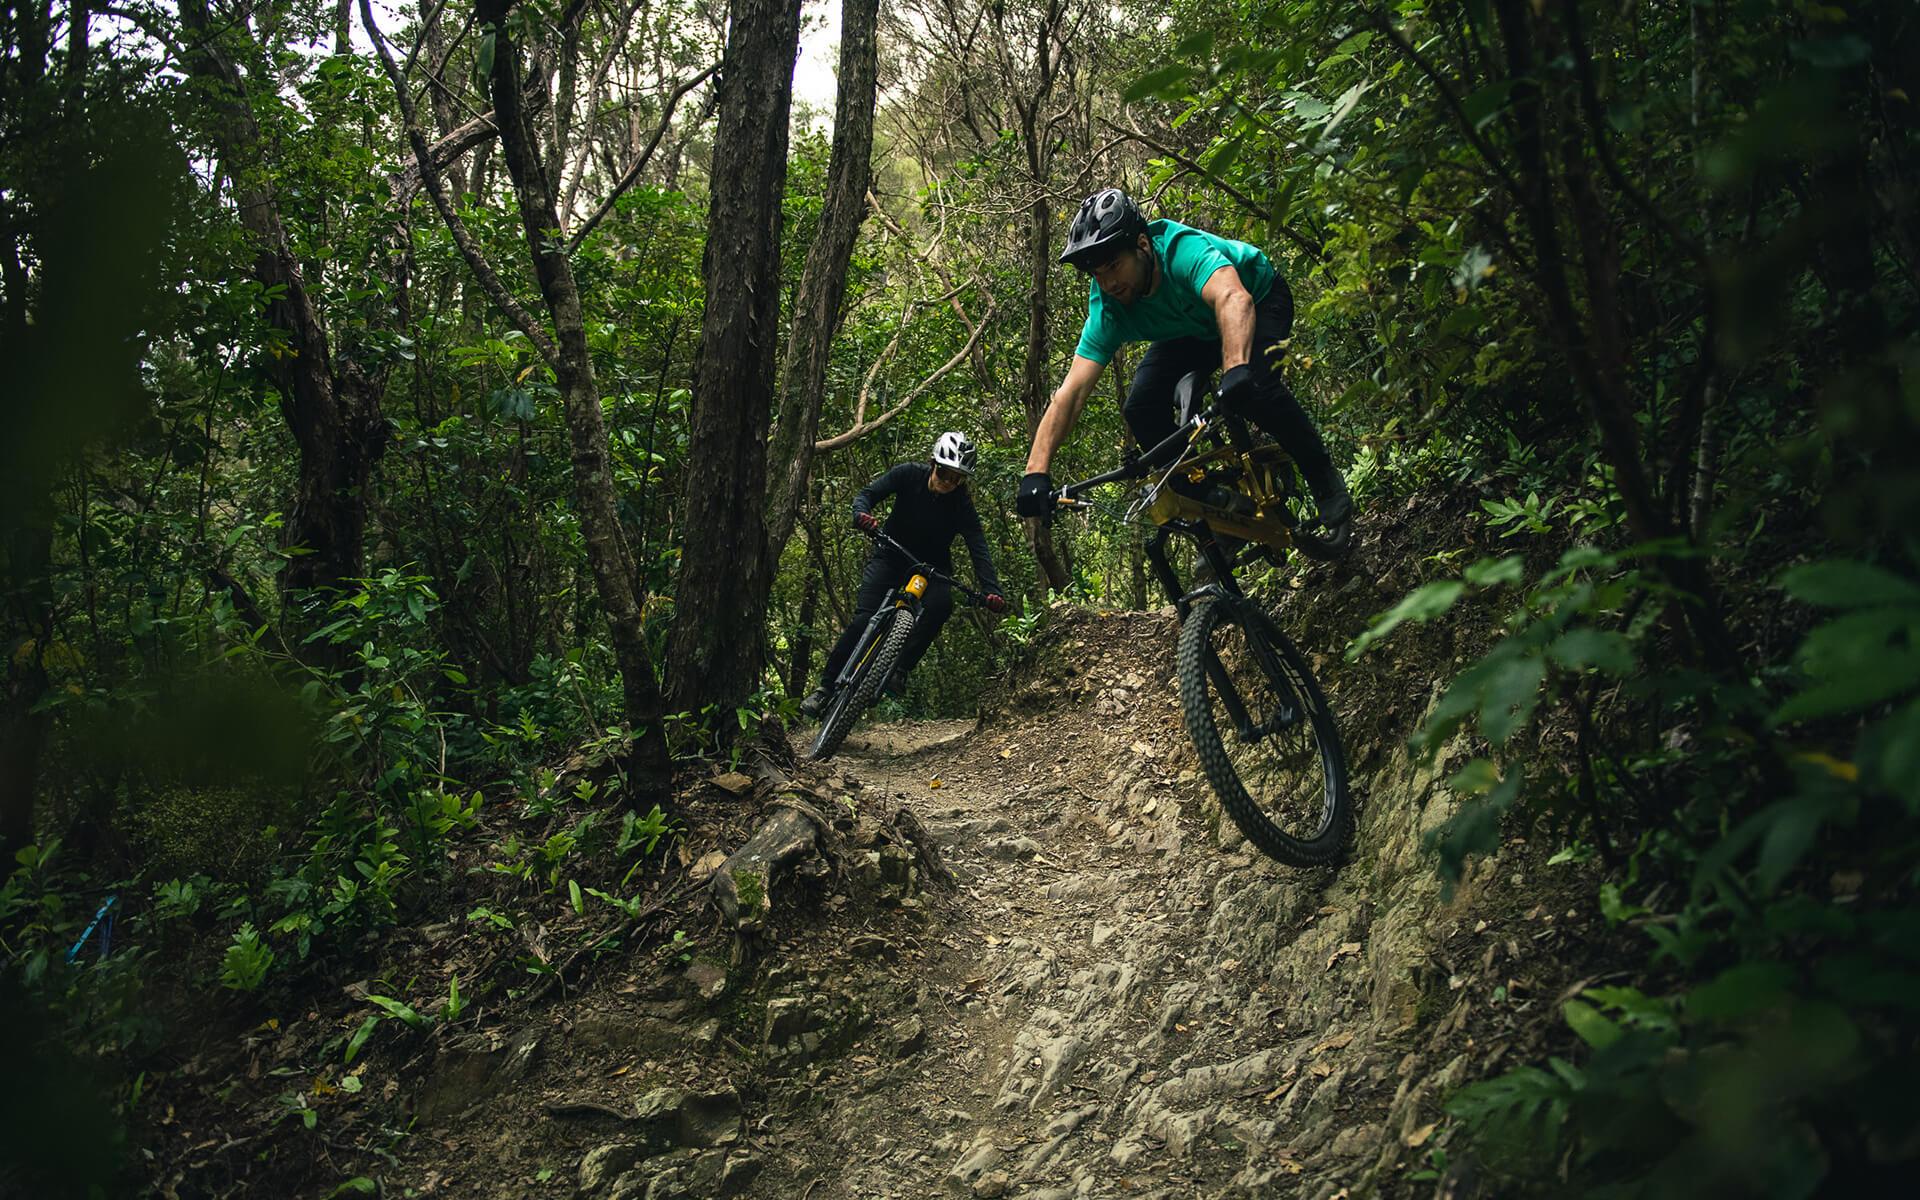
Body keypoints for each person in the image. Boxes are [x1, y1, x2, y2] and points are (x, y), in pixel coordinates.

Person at [1014, 188, 1351, 536]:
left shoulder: (1180, 251)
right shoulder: (1109, 308)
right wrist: (1035, 472)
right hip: (1189, 330)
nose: (1108, 282)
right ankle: (1213, 501)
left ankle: (1322, 475)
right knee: (1141, 408)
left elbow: (1233, 298)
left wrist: (1235, 367)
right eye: (1097, 273)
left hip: (1258, 299)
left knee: (1257, 389)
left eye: (1114, 265)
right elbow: (1072, 393)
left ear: (1143, 246)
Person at [801, 432, 1008, 717]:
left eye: (956, 478)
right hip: (891, 555)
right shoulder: (908, 474)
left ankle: (900, 668)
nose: (947, 483)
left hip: (931, 568)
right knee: (864, 619)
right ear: (933, 463)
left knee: (941, 605)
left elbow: (978, 545)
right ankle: (824, 689)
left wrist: (991, 590)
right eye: (945, 473)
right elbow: (867, 495)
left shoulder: (962, 504)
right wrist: (861, 514)